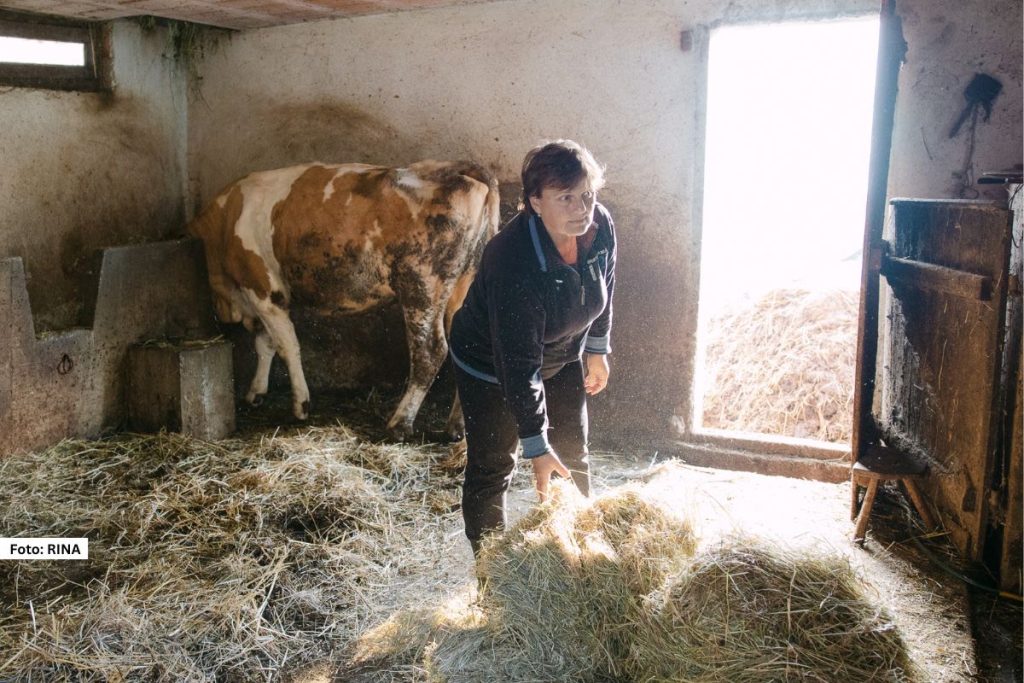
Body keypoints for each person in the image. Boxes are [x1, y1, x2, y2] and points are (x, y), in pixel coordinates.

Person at [449, 139, 616, 555]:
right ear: (535, 203)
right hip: (491, 365)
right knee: (493, 467)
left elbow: (605, 287)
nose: (582, 208)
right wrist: (535, 444)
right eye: (566, 198)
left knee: (573, 452)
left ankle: (581, 558)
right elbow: (518, 364)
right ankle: (492, 574)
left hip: (563, 353)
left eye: (587, 195)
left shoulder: (600, 228)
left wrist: (598, 347)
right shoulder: (512, 260)